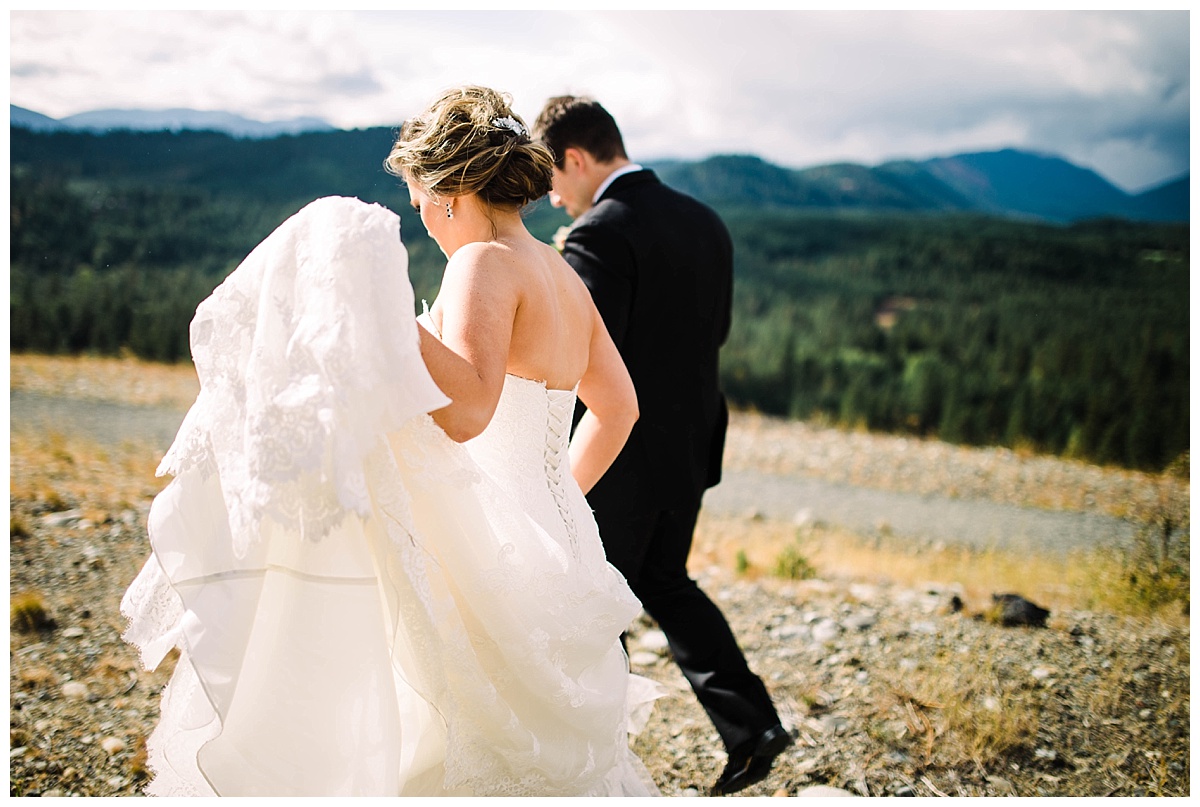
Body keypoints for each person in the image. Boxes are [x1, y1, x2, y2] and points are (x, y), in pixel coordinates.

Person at [120, 85, 660, 796]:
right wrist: (554, 502)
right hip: (562, 542)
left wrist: (370, 306)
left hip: (486, 542)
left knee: (451, 735)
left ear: (451, 191)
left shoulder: (483, 263)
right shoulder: (562, 272)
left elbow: (467, 407)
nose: (428, 227)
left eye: (419, 205)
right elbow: (619, 408)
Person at [533, 95, 791, 796]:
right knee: (665, 582)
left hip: (622, 456)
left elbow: (578, 357)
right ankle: (753, 725)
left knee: (595, 598)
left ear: (577, 159)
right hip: (692, 444)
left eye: (553, 178)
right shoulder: (705, 221)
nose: (554, 199)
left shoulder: (599, 235)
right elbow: (717, 331)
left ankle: (598, 758)